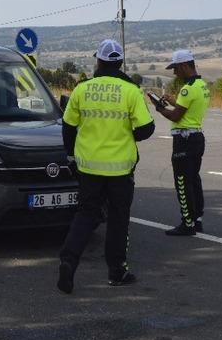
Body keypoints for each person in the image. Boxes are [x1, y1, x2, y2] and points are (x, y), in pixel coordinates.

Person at [57, 39, 155, 294]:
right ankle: (116, 271)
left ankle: (68, 261)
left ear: (98, 61)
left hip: (88, 167)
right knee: (118, 220)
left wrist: (71, 156)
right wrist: (128, 134)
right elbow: (147, 128)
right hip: (120, 169)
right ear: (119, 62)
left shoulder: (82, 89)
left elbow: (68, 126)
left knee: (85, 215)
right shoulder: (131, 91)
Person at [152, 49, 210, 236]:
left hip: (184, 140)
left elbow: (176, 116)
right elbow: (187, 108)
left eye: (176, 68)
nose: (175, 72)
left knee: (182, 182)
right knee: (194, 179)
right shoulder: (201, 85)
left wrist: (159, 108)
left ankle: (187, 223)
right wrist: (174, 101)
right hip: (197, 137)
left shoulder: (187, 88)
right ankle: (197, 219)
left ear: (185, 65)